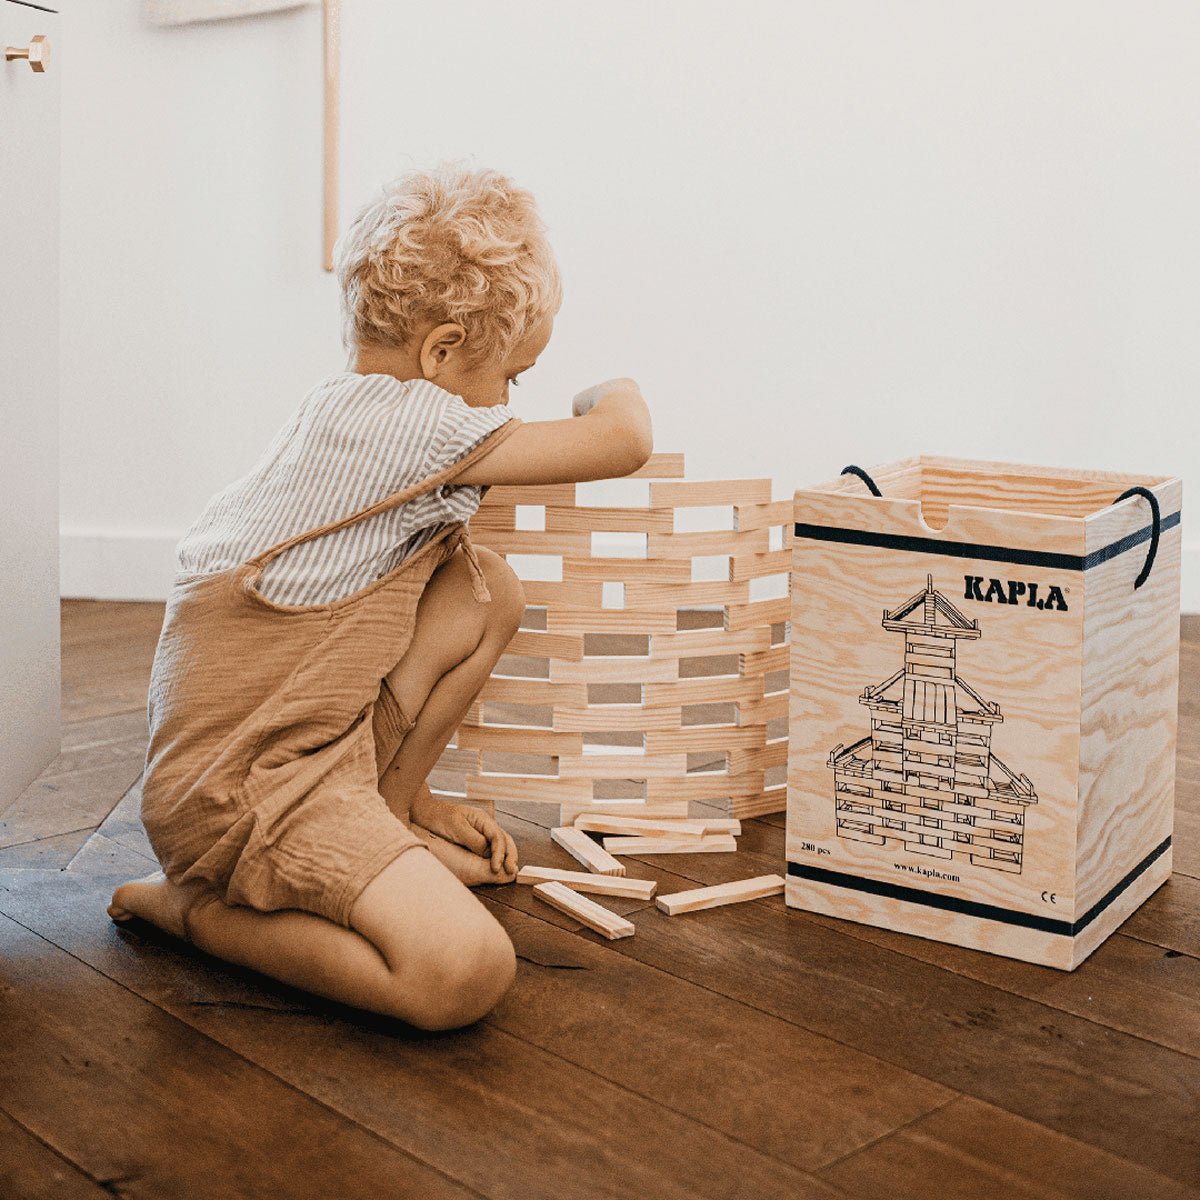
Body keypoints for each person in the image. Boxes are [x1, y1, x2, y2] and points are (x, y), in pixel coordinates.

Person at [108, 161, 653, 1031]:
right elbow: (624, 440)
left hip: (305, 747)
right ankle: (199, 912)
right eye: (515, 374)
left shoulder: (356, 412)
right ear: (440, 354)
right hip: (245, 795)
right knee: (462, 972)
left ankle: (392, 811)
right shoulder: (412, 422)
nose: (510, 399)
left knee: (483, 590)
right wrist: (607, 386)